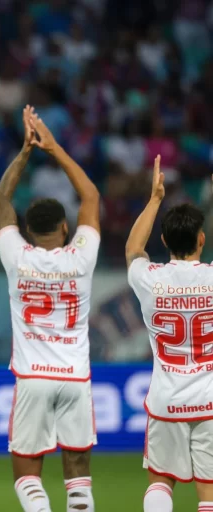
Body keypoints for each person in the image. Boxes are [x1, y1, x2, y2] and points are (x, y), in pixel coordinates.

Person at [0, 106, 101, 512]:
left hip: (32, 377)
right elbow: (90, 195)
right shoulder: (82, 257)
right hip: (75, 377)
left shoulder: (15, 255)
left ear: (27, 230)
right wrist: (53, 148)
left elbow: (1, 198)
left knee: (26, 475)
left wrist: (24, 153)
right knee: (78, 476)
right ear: (64, 229)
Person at [126, 156, 213, 512]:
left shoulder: (151, 280)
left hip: (166, 401)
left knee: (161, 481)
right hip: (210, 400)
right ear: (202, 239)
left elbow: (133, 249)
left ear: (163, 240)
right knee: (209, 491)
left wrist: (155, 198)